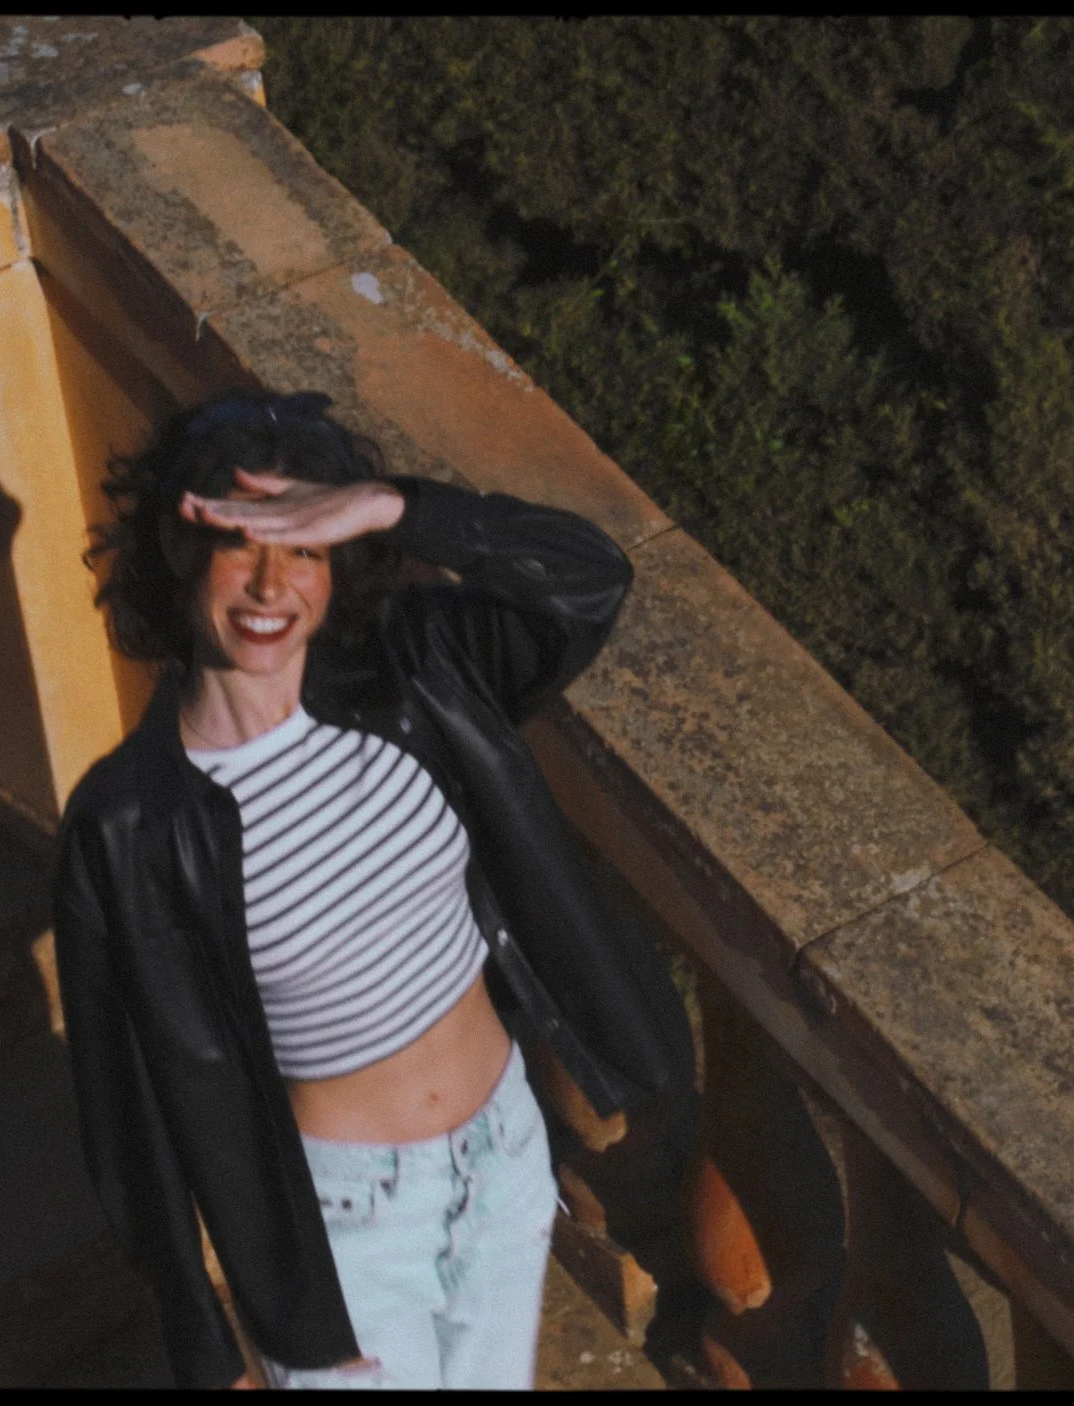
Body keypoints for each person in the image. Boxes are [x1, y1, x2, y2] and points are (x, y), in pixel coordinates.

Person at [52, 389, 691, 1390]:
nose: (272, 583)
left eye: (301, 548)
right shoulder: (129, 826)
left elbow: (587, 577)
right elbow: (125, 1111)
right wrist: (202, 1336)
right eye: (238, 544)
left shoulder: (417, 670)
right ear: (180, 562)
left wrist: (393, 504)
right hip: (345, 1224)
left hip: (504, 1152)